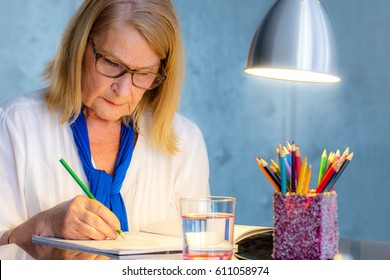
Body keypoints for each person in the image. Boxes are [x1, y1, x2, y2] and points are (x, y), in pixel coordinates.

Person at [0, 0, 210, 246]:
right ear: (79, 46)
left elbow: (199, 256)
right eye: (111, 63)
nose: (122, 91)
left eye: (143, 73)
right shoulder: (16, 123)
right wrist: (42, 226)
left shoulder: (185, 140)